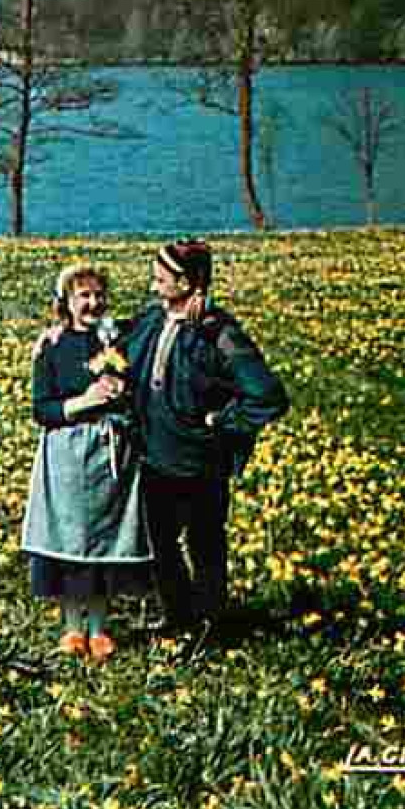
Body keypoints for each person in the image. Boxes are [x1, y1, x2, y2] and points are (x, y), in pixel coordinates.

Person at [121, 239, 289, 635]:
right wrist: (59, 334)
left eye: (162, 278)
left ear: (188, 282)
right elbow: (111, 343)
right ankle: (179, 619)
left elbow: (269, 396)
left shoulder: (220, 333)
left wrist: (223, 422)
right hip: (154, 455)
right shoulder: (151, 320)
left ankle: (214, 624)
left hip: (200, 461)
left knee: (205, 543)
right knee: (160, 543)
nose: (153, 285)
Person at [22, 262, 153, 663]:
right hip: (65, 456)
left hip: (107, 456)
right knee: (67, 542)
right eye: (83, 295)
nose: (92, 302)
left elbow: (155, 315)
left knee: (104, 541)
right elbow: (41, 408)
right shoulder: (51, 346)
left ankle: (99, 629)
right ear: (65, 301)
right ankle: (71, 628)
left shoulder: (116, 339)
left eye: (98, 295)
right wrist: (84, 402)